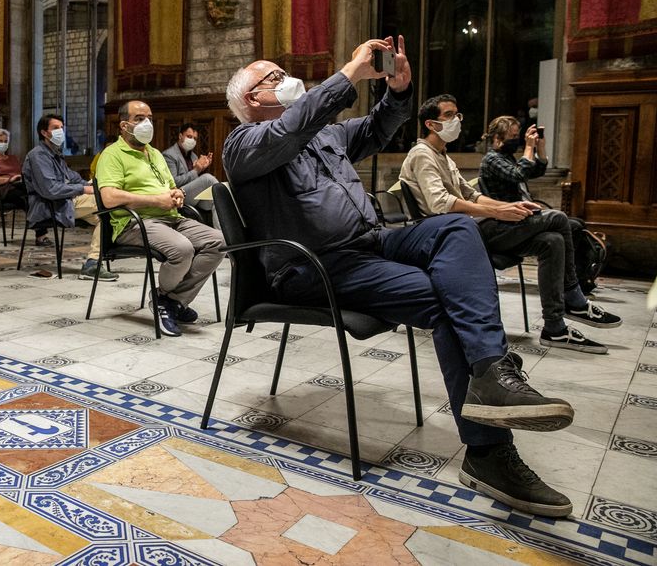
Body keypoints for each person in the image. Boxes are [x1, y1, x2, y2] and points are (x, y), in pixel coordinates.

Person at [223, 37, 578, 518]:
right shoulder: (243, 144)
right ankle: (489, 453)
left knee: (455, 225)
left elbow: (376, 129)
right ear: (252, 100)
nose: (286, 80)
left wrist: (398, 91)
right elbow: (293, 126)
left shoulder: (325, 135)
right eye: (273, 78)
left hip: (369, 242)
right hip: (314, 265)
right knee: (445, 300)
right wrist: (350, 71)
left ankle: (491, 373)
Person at [400, 95, 620, 354]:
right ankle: (574, 297)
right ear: (431, 124)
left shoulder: (444, 157)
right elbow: (440, 203)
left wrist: (505, 207)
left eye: (457, 114)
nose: (457, 120)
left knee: (552, 241)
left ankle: (555, 327)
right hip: (452, 233)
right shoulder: (422, 154)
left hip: (469, 226)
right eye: (449, 115)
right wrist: (497, 213)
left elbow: (470, 195)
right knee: (559, 219)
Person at [95, 100, 225, 337]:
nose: (147, 123)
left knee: (220, 241)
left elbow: (170, 186)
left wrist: (176, 194)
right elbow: (109, 198)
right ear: (124, 125)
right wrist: (157, 200)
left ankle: (168, 300)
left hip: (171, 218)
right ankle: (169, 302)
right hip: (135, 222)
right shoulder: (112, 155)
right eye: (140, 119)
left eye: (150, 119)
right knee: (182, 249)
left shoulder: (154, 154)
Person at [23, 114, 118, 281]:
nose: (61, 131)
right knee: (108, 204)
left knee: (108, 217)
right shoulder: (38, 155)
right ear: (44, 133)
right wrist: (83, 189)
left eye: (62, 127)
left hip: (66, 201)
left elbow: (73, 178)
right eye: (56, 128)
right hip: (50, 205)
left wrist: (92, 186)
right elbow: (50, 190)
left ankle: (93, 263)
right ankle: (98, 260)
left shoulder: (55, 154)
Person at [0, 128, 46, 243]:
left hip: (19, 186)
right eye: (0, 141)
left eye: (6, 141)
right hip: (3, 192)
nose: (3, 143)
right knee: (26, 198)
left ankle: (43, 226)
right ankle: (41, 234)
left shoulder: (13, 158)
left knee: (35, 195)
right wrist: (9, 179)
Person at [162, 123, 218, 212]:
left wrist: (202, 168)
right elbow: (173, 183)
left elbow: (195, 181)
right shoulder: (169, 155)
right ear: (180, 136)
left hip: (192, 196)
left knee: (216, 200)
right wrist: (196, 170)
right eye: (189, 136)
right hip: (177, 195)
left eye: (195, 138)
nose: (192, 140)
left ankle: (221, 226)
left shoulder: (194, 156)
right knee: (208, 179)